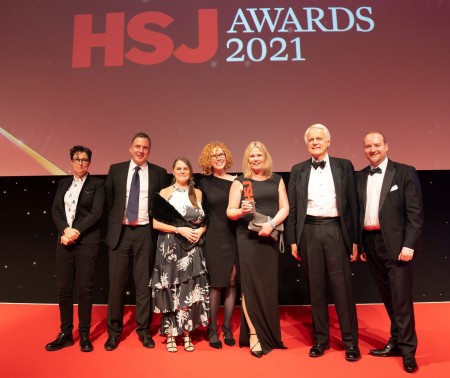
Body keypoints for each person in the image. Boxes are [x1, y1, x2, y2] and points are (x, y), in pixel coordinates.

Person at [285, 124, 360, 361]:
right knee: (315, 288)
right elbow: (293, 207)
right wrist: (293, 240)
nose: (315, 142)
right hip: (308, 230)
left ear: (328, 142)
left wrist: (355, 240)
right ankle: (321, 340)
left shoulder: (344, 166)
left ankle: (350, 343)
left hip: (336, 229)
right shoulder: (297, 170)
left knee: (342, 289)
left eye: (319, 139)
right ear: (307, 144)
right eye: (311, 139)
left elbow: (353, 206)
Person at [356, 131, 423, 373]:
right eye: (367, 146)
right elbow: (359, 212)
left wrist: (409, 245)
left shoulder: (404, 172)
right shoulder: (360, 176)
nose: (372, 149)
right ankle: (395, 342)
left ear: (386, 146)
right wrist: (362, 245)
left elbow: (414, 213)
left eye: (376, 145)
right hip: (371, 242)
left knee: (401, 299)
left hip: (396, 245)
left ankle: (408, 351)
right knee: (388, 297)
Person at [104, 132, 167, 351]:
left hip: (145, 234)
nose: (141, 151)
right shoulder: (116, 170)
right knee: (116, 286)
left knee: (143, 286)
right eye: (137, 146)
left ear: (149, 150)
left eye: (145, 148)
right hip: (120, 234)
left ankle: (143, 331)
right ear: (130, 147)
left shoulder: (159, 173)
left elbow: (160, 205)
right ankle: (114, 332)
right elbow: (110, 201)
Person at [227, 141, 289, 358]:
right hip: (248, 239)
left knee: (268, 286)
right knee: (250, 287)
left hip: (269, 237)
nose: (255, 159)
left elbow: (285, 208)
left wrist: (271, 225)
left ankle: (269, 333)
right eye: (251, 156)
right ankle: (254, 334)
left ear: (265, 157)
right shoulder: (240, 182)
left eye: (259, 156)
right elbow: (230, 212)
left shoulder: (277, 180)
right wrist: (240, 211)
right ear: (247, 159)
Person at [46, 145, 105, 352]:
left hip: (86, 242)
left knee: (85, 290)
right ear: (71, 161)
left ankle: (84, 335)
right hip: (64, 242)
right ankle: (65, 333)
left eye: (85, 159)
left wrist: (74, 231)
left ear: (90, 162)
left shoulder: (97, 184)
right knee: (64, 290)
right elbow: (55, 209)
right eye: (77, 159)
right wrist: (64, 230)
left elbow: (97, 213)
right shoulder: (63, 183)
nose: (81, 163)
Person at [150, 157, 209, 353]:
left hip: (193, 249)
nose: (182, 171)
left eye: (186, 168)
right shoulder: (164, 193)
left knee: (189, 291)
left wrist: (200, 231)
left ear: (190, 172)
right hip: (169, 248)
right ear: (173, 171)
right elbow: (156, 224)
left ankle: (187, 333)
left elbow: (204, 221)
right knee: (171, 290)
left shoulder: (198, 193)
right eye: (179, 168)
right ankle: (170, 335)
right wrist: (179, 230)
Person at [198, 142, 238, 349]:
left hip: (235, 236)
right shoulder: (204, 183)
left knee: (232, 282)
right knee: (216, 284)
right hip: (214, 237)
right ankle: (212, 329)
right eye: (214, 156)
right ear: (208, 160)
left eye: (221, 154)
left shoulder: (238, 181)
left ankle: (228, 328)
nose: (218, 158)